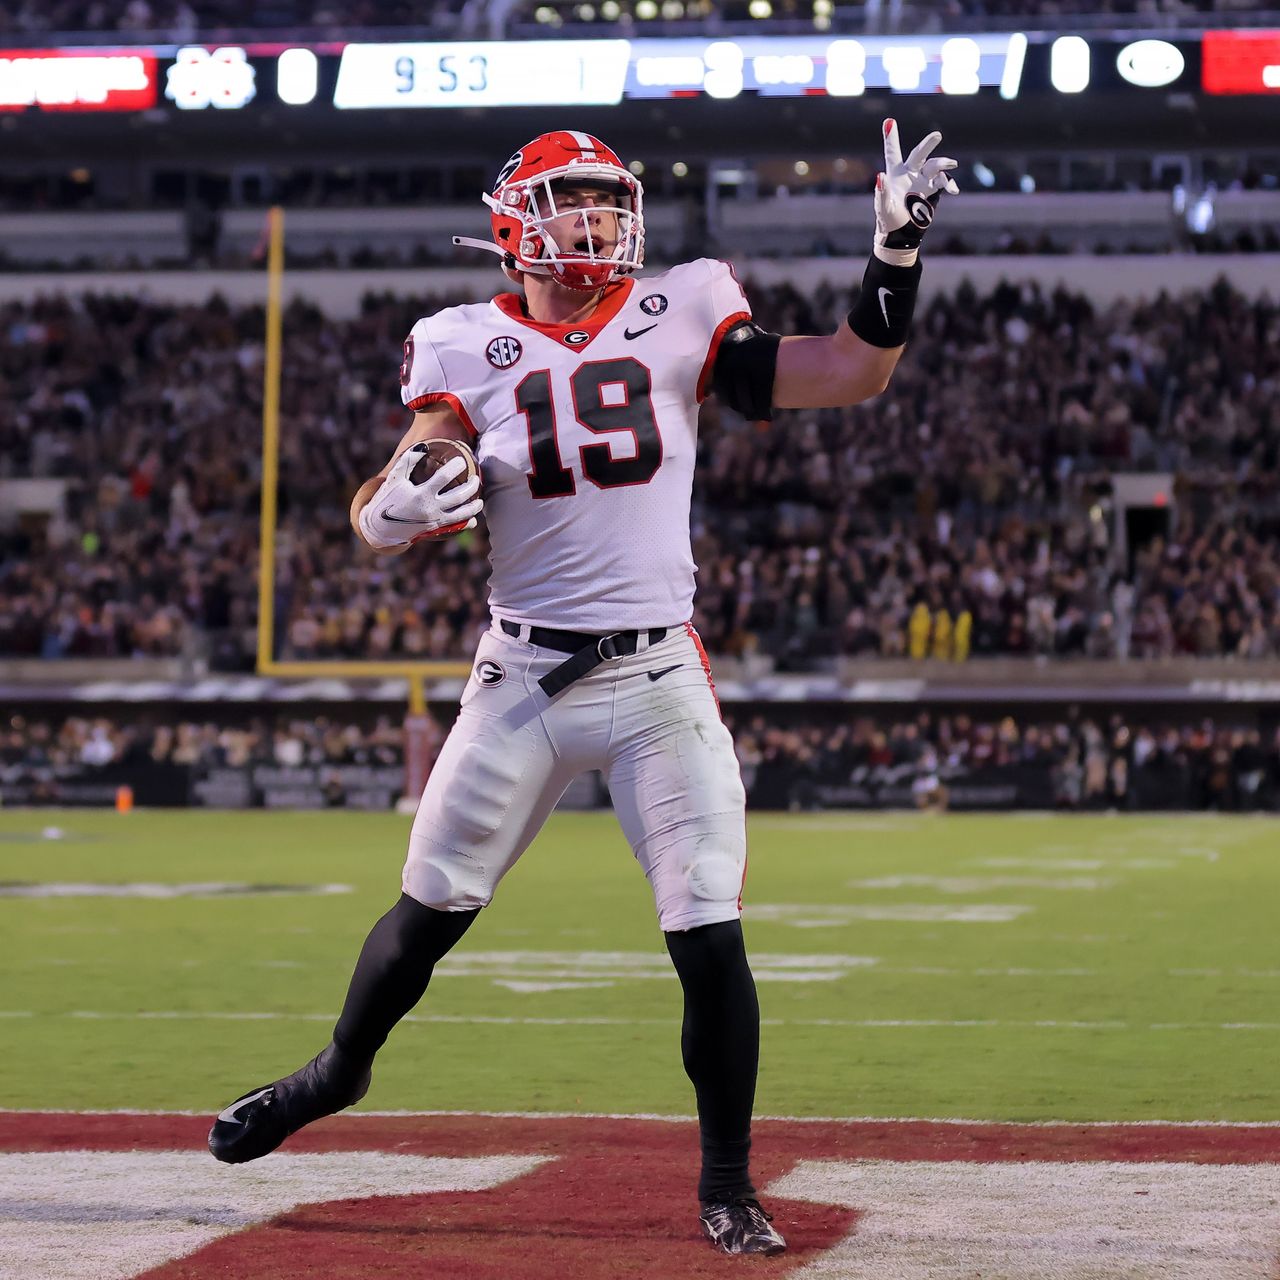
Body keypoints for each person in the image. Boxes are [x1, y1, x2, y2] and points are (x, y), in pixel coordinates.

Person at [208, 124, 957, 1256]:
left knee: (707, 925)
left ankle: (725, 1180)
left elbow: (846, 369)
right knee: (427, 910)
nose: (597, 222)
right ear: (514, 222)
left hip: (657, 669)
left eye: (608, 202)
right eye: (571, 202)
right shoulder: (459, 342)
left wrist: (892, 257)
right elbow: (403, 478)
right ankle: (337, 1070)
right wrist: (382, 515)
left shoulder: (688, 302)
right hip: (521, 672)